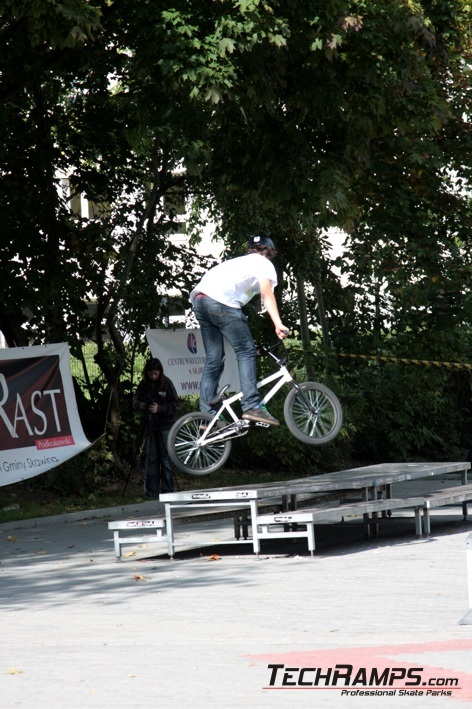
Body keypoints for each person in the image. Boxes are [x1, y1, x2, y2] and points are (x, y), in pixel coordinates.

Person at [189, 234, 289, 426]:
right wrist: (278, 323)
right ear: (270, 252)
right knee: (246, 352)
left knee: (214, 359)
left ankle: (207, 415)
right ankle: (251, 406)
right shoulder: (264, 263)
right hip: (221, 303)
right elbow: (267, 295)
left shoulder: (238, 263)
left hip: (200, 301)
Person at [133, 357, 179, 498]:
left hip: (166, 426)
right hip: (150, 425)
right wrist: (142, 406)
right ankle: (151, 491)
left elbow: (175, 405)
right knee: (152, 458)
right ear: (147, 372)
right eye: (150, 373)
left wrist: (160, 408)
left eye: (155, 373)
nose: (153, 376)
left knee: (166, 459)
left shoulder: (167, 384)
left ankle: (168, 490)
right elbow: (135, 401)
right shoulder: (144, 384)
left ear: (160, 372)